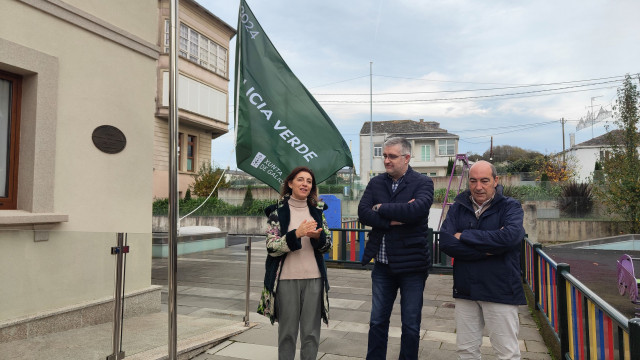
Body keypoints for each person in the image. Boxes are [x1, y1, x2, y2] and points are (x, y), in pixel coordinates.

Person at [439, 160, 526, 360]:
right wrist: (488, 251)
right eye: (473, 181)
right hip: (466, 288)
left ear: (496, 181)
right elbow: (445, 241)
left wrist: (465, 236)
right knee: (466, 351)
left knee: (506, 353)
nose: (478, 187)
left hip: (500, 289)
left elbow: (510, 237)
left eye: (485, 181)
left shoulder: (510, 207)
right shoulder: (458, 206)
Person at [358, 137, 434, 360]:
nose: (387, 160)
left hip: (412, 266)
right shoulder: (376, 183)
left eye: (392, 156)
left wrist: (380, 208)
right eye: (385, 156)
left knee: (410, 325)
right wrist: (391, 219)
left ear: (407, 158)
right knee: (377, 321)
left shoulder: (423, 183)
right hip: (382, 266)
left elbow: (417, 211)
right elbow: (363, 213)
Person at [257, 166, 332, 360]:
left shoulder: (317, 211)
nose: (305, 184)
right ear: (290, 183)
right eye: (300, 179)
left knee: (311, 334)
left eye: (309, 181)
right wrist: (296, 234)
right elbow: (271, 247)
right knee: (287, 334)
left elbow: (327, 245)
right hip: (286, 280)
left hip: (314, 279)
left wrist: (317, 238)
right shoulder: (277, 212)